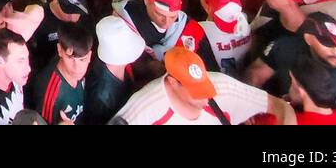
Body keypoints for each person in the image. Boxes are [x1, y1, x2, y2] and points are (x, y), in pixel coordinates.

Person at [112, 45, 295, 125]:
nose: (205, 97)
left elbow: (280, 106)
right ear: (173, 82)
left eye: (204, 87)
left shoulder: (221, 87)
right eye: (196, 91)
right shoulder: (144, 111)